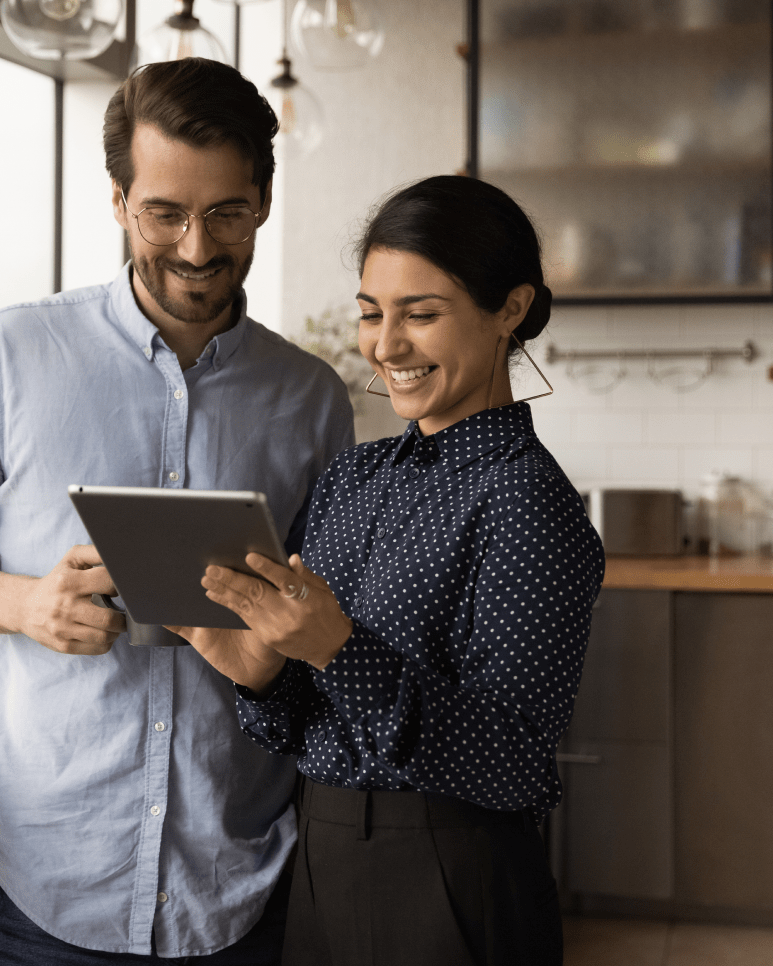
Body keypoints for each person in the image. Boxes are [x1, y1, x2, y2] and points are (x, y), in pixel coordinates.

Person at [0, 58, 354, 964]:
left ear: (263, 202)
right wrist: (23, 604)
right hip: (52, 883)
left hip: (238, 882)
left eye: (227, 213)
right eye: (164, 212)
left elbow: (325, 621)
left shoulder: (313, 397)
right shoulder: (12, 352)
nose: (198, 247)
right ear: (117, 200)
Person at [170, 175, 605, 966]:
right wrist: (260, 673)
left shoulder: (528, 500)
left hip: (453, 872)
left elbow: (513, 761)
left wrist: (337, 648)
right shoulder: (351, 479)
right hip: (322, 855)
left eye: (422, 314)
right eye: (372, 313)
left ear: (509, 309)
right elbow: (304, 718)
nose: (386, 344)